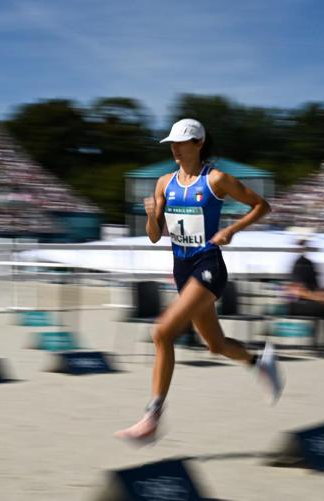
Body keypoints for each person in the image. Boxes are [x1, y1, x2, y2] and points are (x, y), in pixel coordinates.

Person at [115, 118, 282, 443]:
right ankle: (259, 361)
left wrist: (231, 230)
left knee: (161, 332)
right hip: (181, 268)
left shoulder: (217, 179)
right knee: (216, 345)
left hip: (209, 266)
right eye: (172, 143)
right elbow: (153, 237)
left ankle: (152, 416)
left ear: (199, 143)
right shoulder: (164, 182)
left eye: (181, 142)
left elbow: (262, 205)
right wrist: (152, 215)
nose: (175, 148)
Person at [287, 228, 324, 354]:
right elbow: (298, 291)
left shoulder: (309, 263)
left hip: (309, 299)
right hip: (298, 303)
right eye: (303, 242)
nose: (305, 245)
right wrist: (321, 299)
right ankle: (320, 343)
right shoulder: (298, 264)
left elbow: (317, 288)